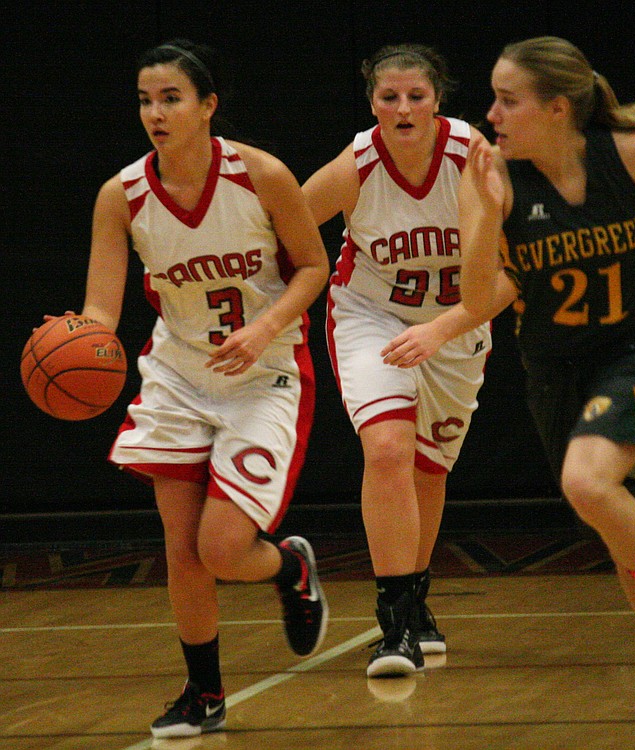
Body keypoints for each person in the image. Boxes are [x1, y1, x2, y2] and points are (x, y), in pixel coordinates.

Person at [458, 36, 635, 750]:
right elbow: (471, 296)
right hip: (556, 375)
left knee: (588, 487)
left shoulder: (626, 154)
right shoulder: (491, 177)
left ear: (557, 109)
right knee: (626, 535)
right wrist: (487, 216)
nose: (490, 113)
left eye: (506, 98)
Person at [49, 39, 331, 738]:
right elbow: (103, 311)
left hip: (263, 375)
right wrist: (74, 340)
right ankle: (203, 694)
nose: (155, 112)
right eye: (145, 100)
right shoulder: (121, 196)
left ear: (208, 106)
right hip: (178, 377)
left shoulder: (261, 175)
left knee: (223, 548)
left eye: (170, 98)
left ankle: (288, 566)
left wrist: (264, 328)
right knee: (180, 546)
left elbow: (313, 267)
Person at [302, 44, 494, 678]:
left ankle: (416, 601)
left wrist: (440, 330)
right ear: (372, 103)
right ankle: (395, 626)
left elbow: (496, 281)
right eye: (390, 96)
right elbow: (287, 229)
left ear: (439, 99)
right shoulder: (357, 165)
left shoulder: (473, 159)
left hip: (458, 320)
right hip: (370, 314)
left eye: (417, 95)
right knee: (387, 450)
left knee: (429, 472)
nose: (404, 107)